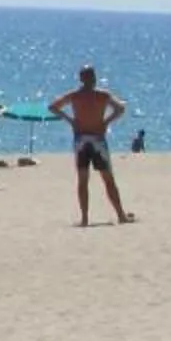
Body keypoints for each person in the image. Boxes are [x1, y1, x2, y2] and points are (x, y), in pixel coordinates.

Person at [53, 67, 133, 226]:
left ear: (81, 79)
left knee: (84, 180)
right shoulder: (101, 95)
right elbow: (120, 108)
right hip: (97, 138)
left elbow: (53, 107)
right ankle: (120, 215)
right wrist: (106, 122)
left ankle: (85, 218)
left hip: (81, 138)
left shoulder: (75, 96)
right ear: (92, 78)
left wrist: (70, 120)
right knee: (107, 179)